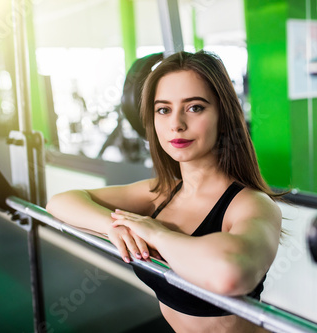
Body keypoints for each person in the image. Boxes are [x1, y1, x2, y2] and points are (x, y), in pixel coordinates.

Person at [46, 51, 282, 333]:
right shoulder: (162, 193)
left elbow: (228, 274)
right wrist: (113, 227)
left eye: (194, 107)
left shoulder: (252, 205)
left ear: (224, 114)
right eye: (163, 109)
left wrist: (156, 233)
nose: (176, 124)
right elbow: (60, 202)